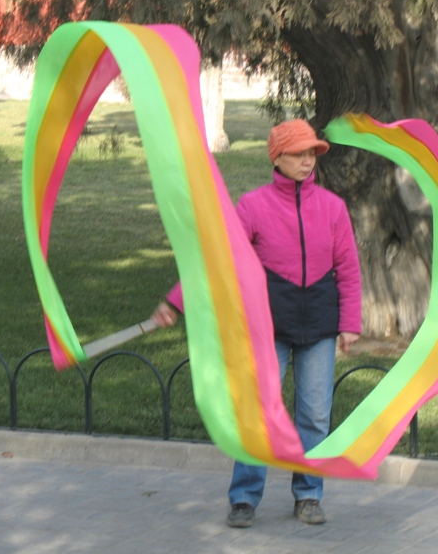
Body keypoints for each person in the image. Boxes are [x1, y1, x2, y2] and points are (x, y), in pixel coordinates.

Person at [152, 118, 362, 528]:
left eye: (311, 153)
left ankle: (308, 495)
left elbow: (349, 270)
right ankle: (244, 498)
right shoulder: (252, 206)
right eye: (298, 154)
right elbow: (218, 258)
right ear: (277, 158)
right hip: (268, 329)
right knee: (258, 412)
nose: (307, 161)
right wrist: (176, 303)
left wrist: (349, 322)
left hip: (319, 326)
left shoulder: (333, 208)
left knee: (315, 416)